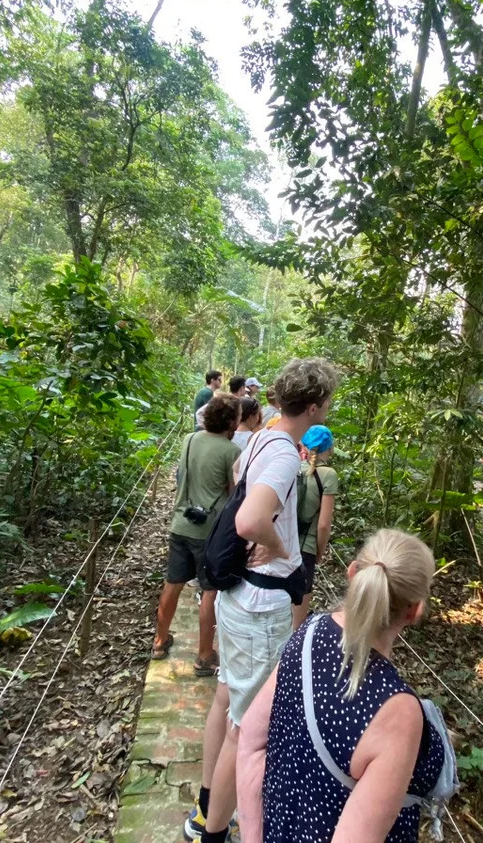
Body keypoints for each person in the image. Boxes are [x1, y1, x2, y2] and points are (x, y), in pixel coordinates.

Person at [186, 357, 340, 843]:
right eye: (328, 402)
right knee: (247, 729)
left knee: (228, 698)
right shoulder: (282, 453)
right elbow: (250, 521)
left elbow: (238, 475)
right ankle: (212, 831)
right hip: (260, 603)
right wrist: (275, 545)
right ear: (314, 406)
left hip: (240, 598)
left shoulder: (264, 436)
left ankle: (209, 805)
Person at [237, 529, 447, 843]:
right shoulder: (398, 712)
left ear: (352, 573)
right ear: (414, 611)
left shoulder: (309, 632)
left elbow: (251, 747)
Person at [153, 396, 241, 675]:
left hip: (180, 523)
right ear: (230, 421)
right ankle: (204, 655)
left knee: (173, 582)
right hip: (209, 530)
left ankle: (159, 641)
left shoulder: (189, 440)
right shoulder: (232, 451)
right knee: (209, 590)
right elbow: (233, 492)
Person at [291, 425, 340, 629]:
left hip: (283, 544)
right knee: (297, 619)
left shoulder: (293, 467)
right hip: (305, 549)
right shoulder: (328, 474)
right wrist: (319, 551)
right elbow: (323, 524)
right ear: (326, 448)